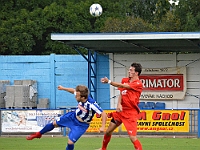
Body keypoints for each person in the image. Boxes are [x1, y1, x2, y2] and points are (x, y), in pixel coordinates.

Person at [26, 85, 107, 150]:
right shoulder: (80, 95)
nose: (75, 97)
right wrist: (63, 88)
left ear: (83, 97)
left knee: (70, 143)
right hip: (72, 117)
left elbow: (103, 114)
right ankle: (38, 134)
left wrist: (102, 127)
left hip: (81, 125)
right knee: (53, 123)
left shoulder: (91, 104)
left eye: (77, 96)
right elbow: (73, 91)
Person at [98, 62, 143, 150]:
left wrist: (109, 81)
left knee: (132, 137)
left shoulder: (138, 84)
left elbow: (122, 86)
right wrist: (119, 104)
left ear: (136, 73)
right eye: (129, 70)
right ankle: (103, 148)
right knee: (108, 131)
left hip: (130, 113)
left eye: (131, 70)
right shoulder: (125, 80)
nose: (129, 71)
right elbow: (122, 93)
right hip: (121, 112)